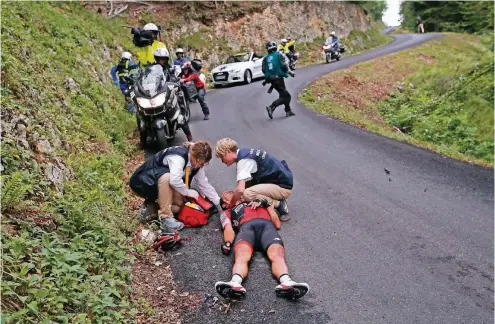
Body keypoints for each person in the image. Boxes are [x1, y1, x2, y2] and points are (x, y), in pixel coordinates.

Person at [214, 191, 309, 300]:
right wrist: (228, 242)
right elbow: (228, 228)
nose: (230, 192)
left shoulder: (255, 201)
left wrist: (267, 205)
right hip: (246, 229)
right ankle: (235, 283)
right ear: (225, 204)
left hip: (267, 228)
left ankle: (286, 282)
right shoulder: (226, 212)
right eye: (226, 195)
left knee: (277, 255)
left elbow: (277, 224)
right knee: (241, 255)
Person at [129, 141, 222, 234]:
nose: (199, 166)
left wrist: (219, 203)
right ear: (193, 155)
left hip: (157, 183)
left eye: (202, 164)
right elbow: (174, 181)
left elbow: (204, 184)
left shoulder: (197, 163)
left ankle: (151, 209)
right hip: (143, 182)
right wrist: (188, 192)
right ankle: (165, 218)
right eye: (198, 162)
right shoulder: (179, 157)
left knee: (178, 206)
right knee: (168, 177)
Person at [215, 138, 293, 221]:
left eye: (221, 157)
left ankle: (279, 204)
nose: (222, 161)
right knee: (245, 192)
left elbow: (240, 190)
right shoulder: (244, 153)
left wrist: (231, 203)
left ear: (227, 152)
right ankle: (267, 200)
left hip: (283, 188)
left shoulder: (243, 161)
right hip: (280, 181)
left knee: (247, 194)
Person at [153, 48, 193, 141]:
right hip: (157, 92)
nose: (161, 61)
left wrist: (175, 81)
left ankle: (189, 135)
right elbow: (148, 78)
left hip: (169, 90)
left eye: (163, 59)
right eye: (159, 59)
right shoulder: (153, 68)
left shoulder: (169, 68)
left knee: (179, 109)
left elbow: (174, 76)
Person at [262, 41, 296, 118]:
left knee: (283, 94)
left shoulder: (265, 58)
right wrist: (290, 72)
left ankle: (288, 111)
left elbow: (263, 70)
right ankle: (271, 107)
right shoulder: (278, 55)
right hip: (278, 79)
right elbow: (284, 65)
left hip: (271, 79)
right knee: (287, 96)